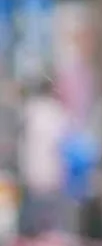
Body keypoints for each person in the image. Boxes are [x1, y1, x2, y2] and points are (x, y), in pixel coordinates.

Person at [18, 80, 71, 236]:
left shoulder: (31, 109)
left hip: (34, 171)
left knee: (33, 216)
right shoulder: (56, 112)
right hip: (49, 172)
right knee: (47, 218)